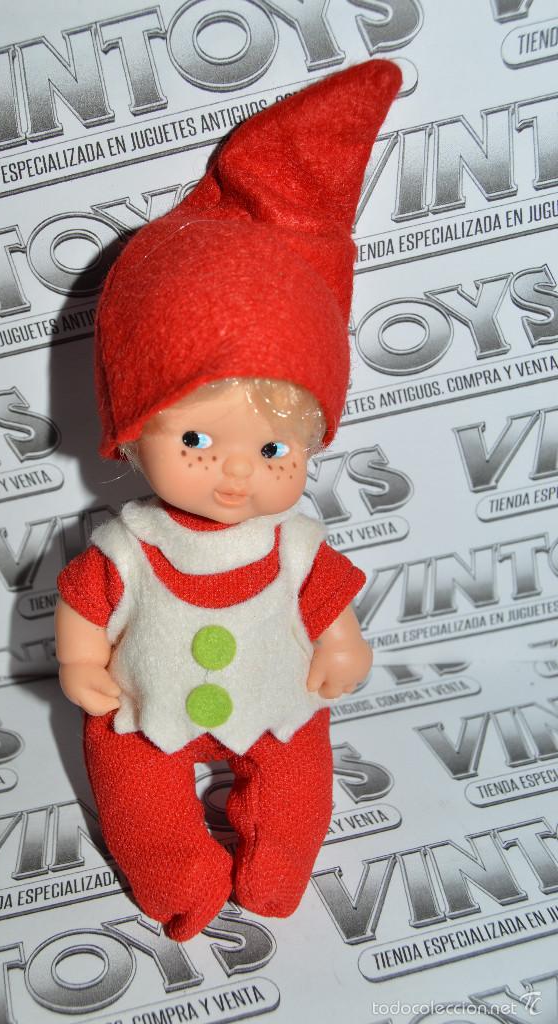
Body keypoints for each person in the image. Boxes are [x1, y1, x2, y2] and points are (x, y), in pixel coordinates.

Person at [55, 59, 402, 941]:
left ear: (313, 446)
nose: (235, 475)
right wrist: (81, 659)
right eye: (196, 443)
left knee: (298, 774)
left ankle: (280, 857)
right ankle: (174, 869)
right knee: (132, 781)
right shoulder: (129, 545)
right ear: (131, 433)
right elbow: (84, 604)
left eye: (274, 450)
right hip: (146, 706)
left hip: (275, 702)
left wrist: (343, 645)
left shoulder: (295, 544)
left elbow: (328, 609)